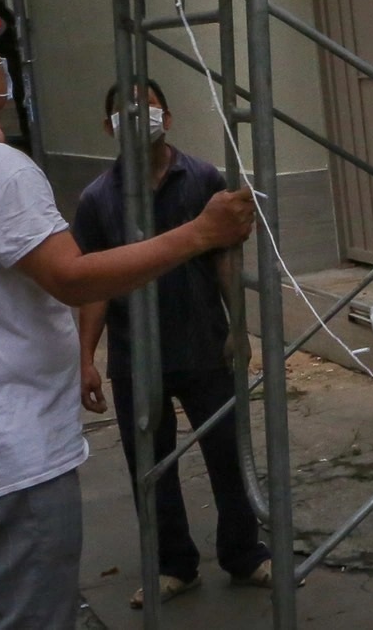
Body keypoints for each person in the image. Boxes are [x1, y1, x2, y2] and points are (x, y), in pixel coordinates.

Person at [0, 12, 255, 630]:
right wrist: (200, 232)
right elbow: (72, 278)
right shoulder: (0, 172)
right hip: (9, 456)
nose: (3, 74)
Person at [72, 83, 270, 601]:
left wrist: (238, 328)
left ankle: (245, 555)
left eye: (147, 104)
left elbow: (226, 258)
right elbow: (92, 283)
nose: (138, 115)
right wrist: (86, 358)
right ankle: (174, 565)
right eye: (123, 109)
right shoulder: (97, 199)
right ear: (108, 126)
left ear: (169, 115)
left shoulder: (203, 179)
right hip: (136, 358)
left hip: (203, 344)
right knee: (150, 467)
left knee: (229, 453)